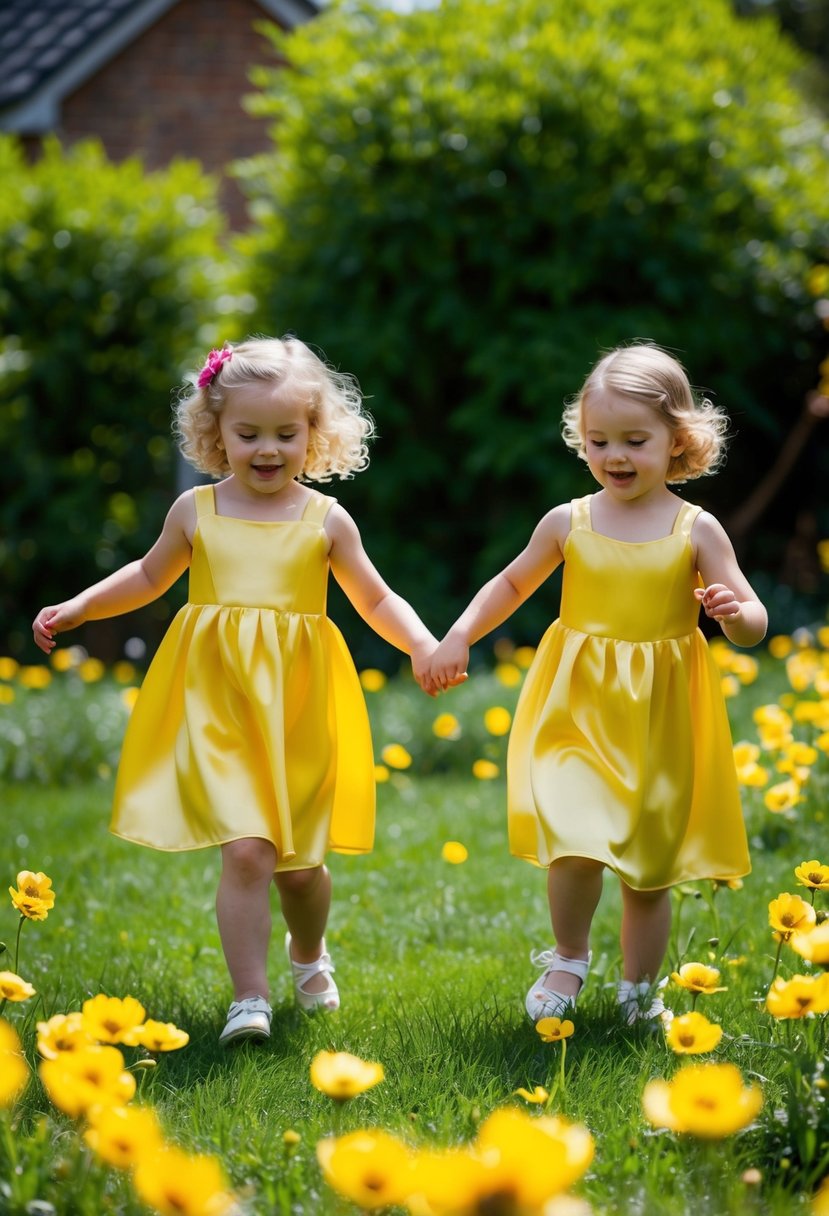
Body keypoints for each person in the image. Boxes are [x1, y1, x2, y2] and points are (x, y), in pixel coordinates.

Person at [33, 336, 444, 1045]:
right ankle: (248, 997)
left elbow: (375, 600)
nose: (266, 449)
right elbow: (145, 575)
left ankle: (308, 953)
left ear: (314, 435)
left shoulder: (325, 521)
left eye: (285, 434)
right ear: (214, 433)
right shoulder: (197, 511)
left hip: (298, 708)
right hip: (219, 704)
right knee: (247, 850)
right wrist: (79, 607)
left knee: (300, 868)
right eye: (247, 433)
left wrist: (421, 644)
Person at [430, 343, 766, 1026]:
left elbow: (753, 619)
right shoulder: (569, 521)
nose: (614, 455)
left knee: (648, 868)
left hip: (658, 714)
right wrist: (461, 633)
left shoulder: (693, 529)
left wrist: (735, 615)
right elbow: (511, 582)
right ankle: (568, 957)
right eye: (597, 440)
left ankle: (639, 992)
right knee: (575, 841)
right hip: (577, 703)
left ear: (678, 440)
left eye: (634, 441)